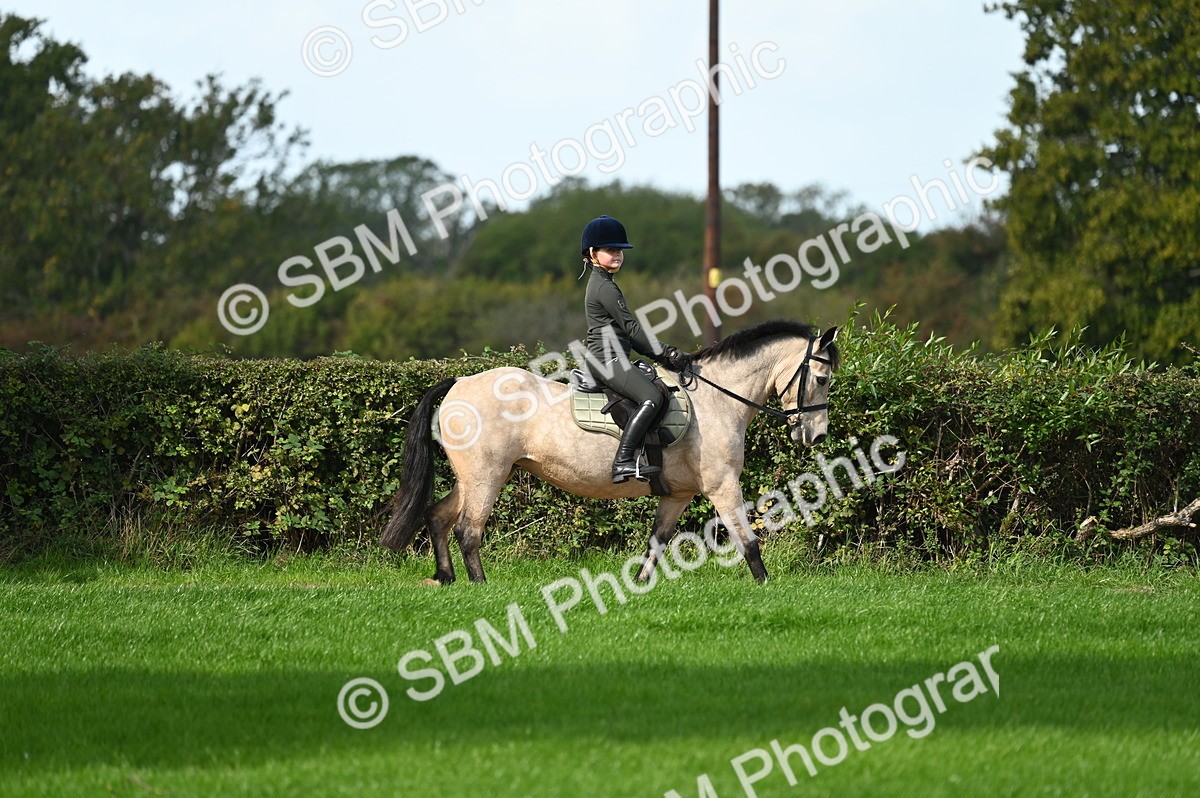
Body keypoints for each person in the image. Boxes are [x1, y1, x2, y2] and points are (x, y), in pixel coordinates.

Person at [580, 215, 691, 483]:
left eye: (620, 250)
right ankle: (623, 461)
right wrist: (666, 352)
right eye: (610, 250)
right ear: (593, 253)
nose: (618, 254)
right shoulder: (605, 288)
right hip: (607, 359)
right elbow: (632, 331)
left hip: (612, 355)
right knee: (651, 397)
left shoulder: (605, 283)